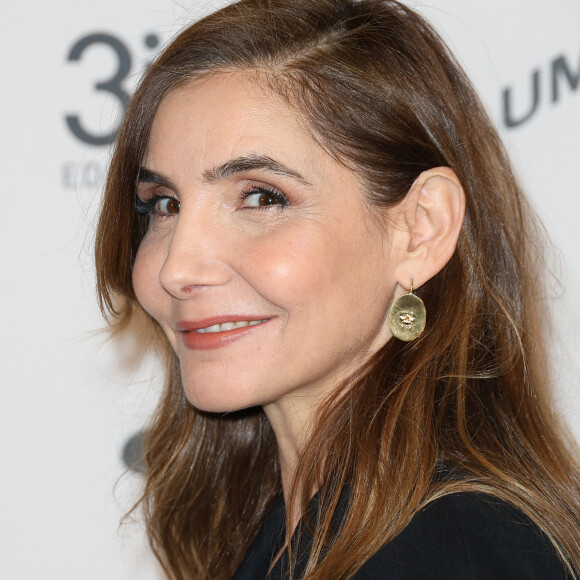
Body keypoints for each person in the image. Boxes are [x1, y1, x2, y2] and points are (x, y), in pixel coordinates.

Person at [95, 0, 580, 578]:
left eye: (261, 197)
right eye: (165, 205)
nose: (176, 269)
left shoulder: (453, 550)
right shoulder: (291, 529)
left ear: (420, 229)